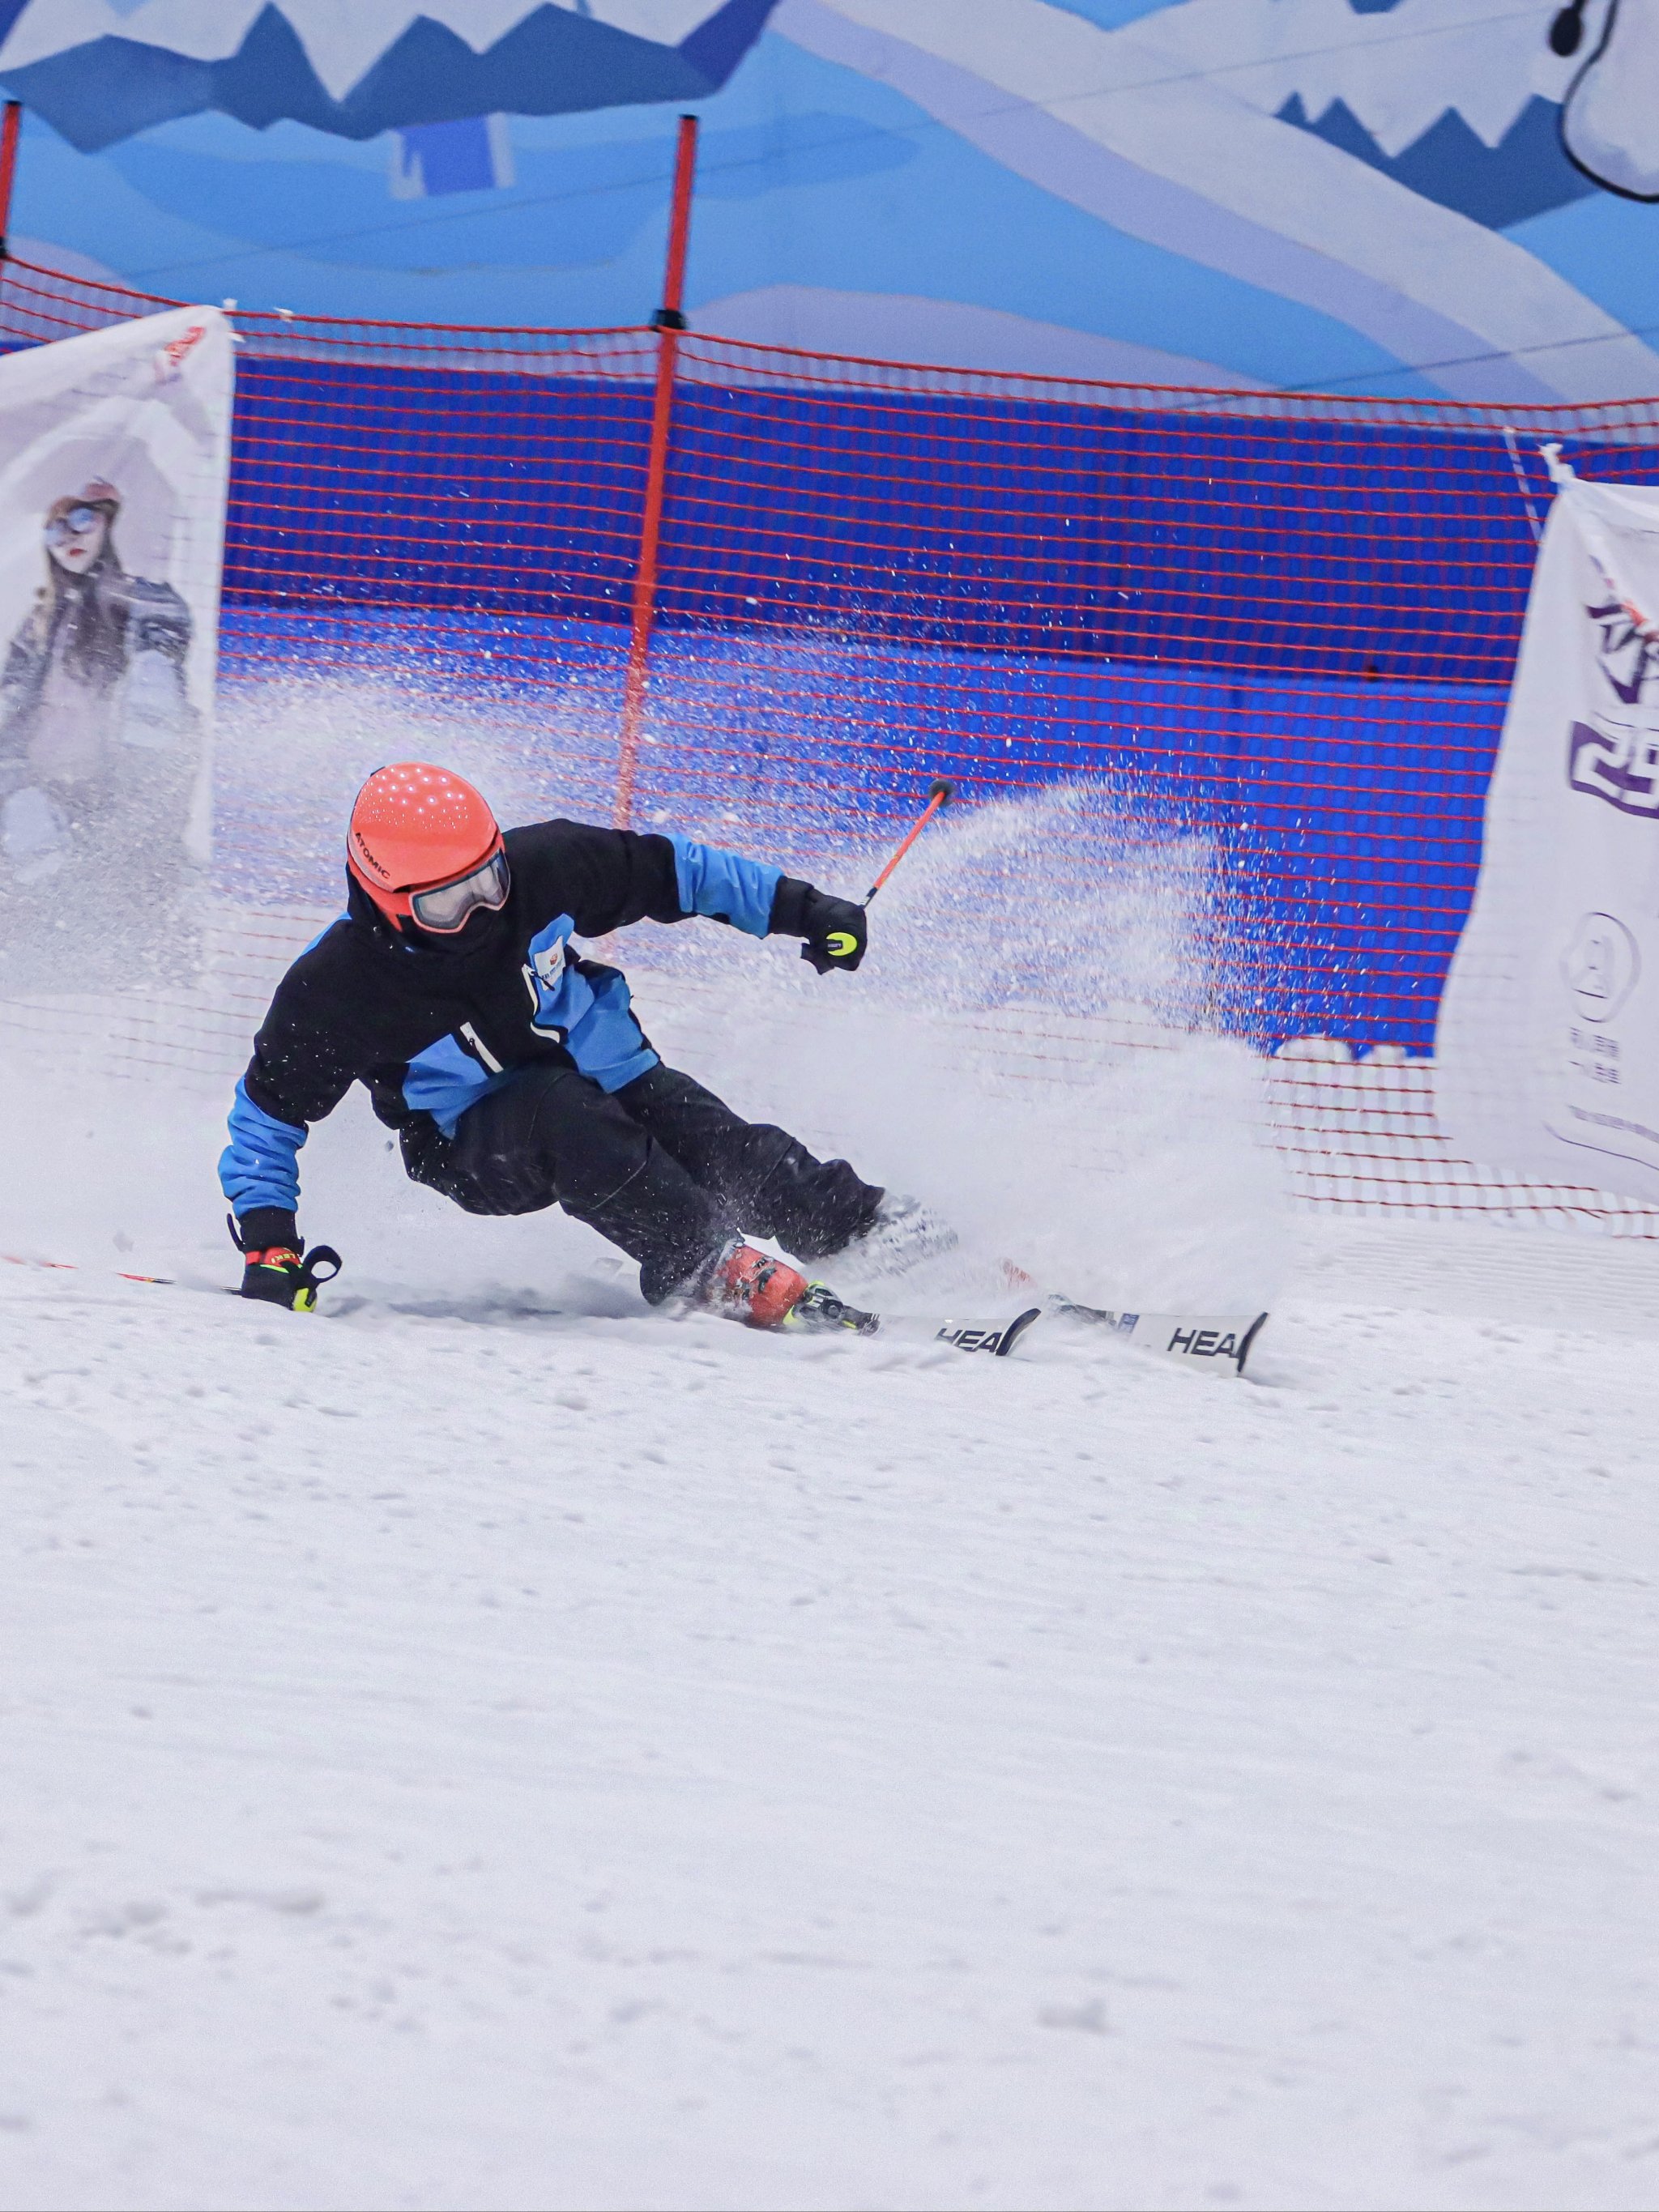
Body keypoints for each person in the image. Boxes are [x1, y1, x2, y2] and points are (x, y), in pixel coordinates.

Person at [220, 762, 955, 1323]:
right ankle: (707, 1266)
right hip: (472, 1141)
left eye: (488, 877)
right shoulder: (340, 987)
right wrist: (269, 1242)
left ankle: (870, 1231)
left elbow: (677, 873)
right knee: (558, 1109)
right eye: (449, 901)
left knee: (726, 1147)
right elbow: (267, 1117)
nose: (482, 911)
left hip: (609, 1072)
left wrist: (805, 910)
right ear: (387, 901)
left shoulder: (546, 866)